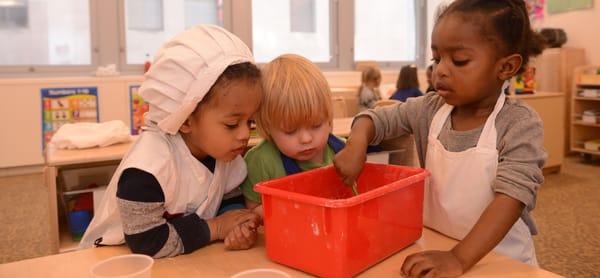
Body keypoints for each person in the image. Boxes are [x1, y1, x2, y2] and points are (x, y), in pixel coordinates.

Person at [334, 0, 547, 276]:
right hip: (438, 247)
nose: (440, 71)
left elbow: (511, 199)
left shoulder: (519, 124)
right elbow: (374, 119)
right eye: (437, 59)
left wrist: (459, 258)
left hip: (500, 260)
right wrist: (356, 144)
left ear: (506, 67)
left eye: (459, 60)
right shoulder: (430, 109)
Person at [80, 25, 262, 257]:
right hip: (122, 260)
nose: (245, 134)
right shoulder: (148, 170)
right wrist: (216, 227)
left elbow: (228, 196)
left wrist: (238, 224)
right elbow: (147, 242)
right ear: (186, 119)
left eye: (251, 122)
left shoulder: (226, 154)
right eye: (232, 125)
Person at [240, 54, 345, 217]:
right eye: (290, 131)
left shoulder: (344, 152)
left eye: (316, 125)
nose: (306, 139)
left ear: (329, 119)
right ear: (268, 127)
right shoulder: (260, 161)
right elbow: (253, 209)